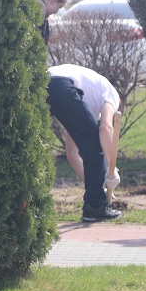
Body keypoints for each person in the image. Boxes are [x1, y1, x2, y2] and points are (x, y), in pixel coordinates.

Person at [46, 64, 123, 222]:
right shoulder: (113, 95)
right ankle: (94, 208)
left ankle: (94, 202)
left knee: (91, 145)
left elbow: (72, 155)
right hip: (60, 84)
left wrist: (97, 187)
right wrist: (111, 169)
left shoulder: (80, 104)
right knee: (96, 144)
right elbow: (105, 128)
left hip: (42, 82)